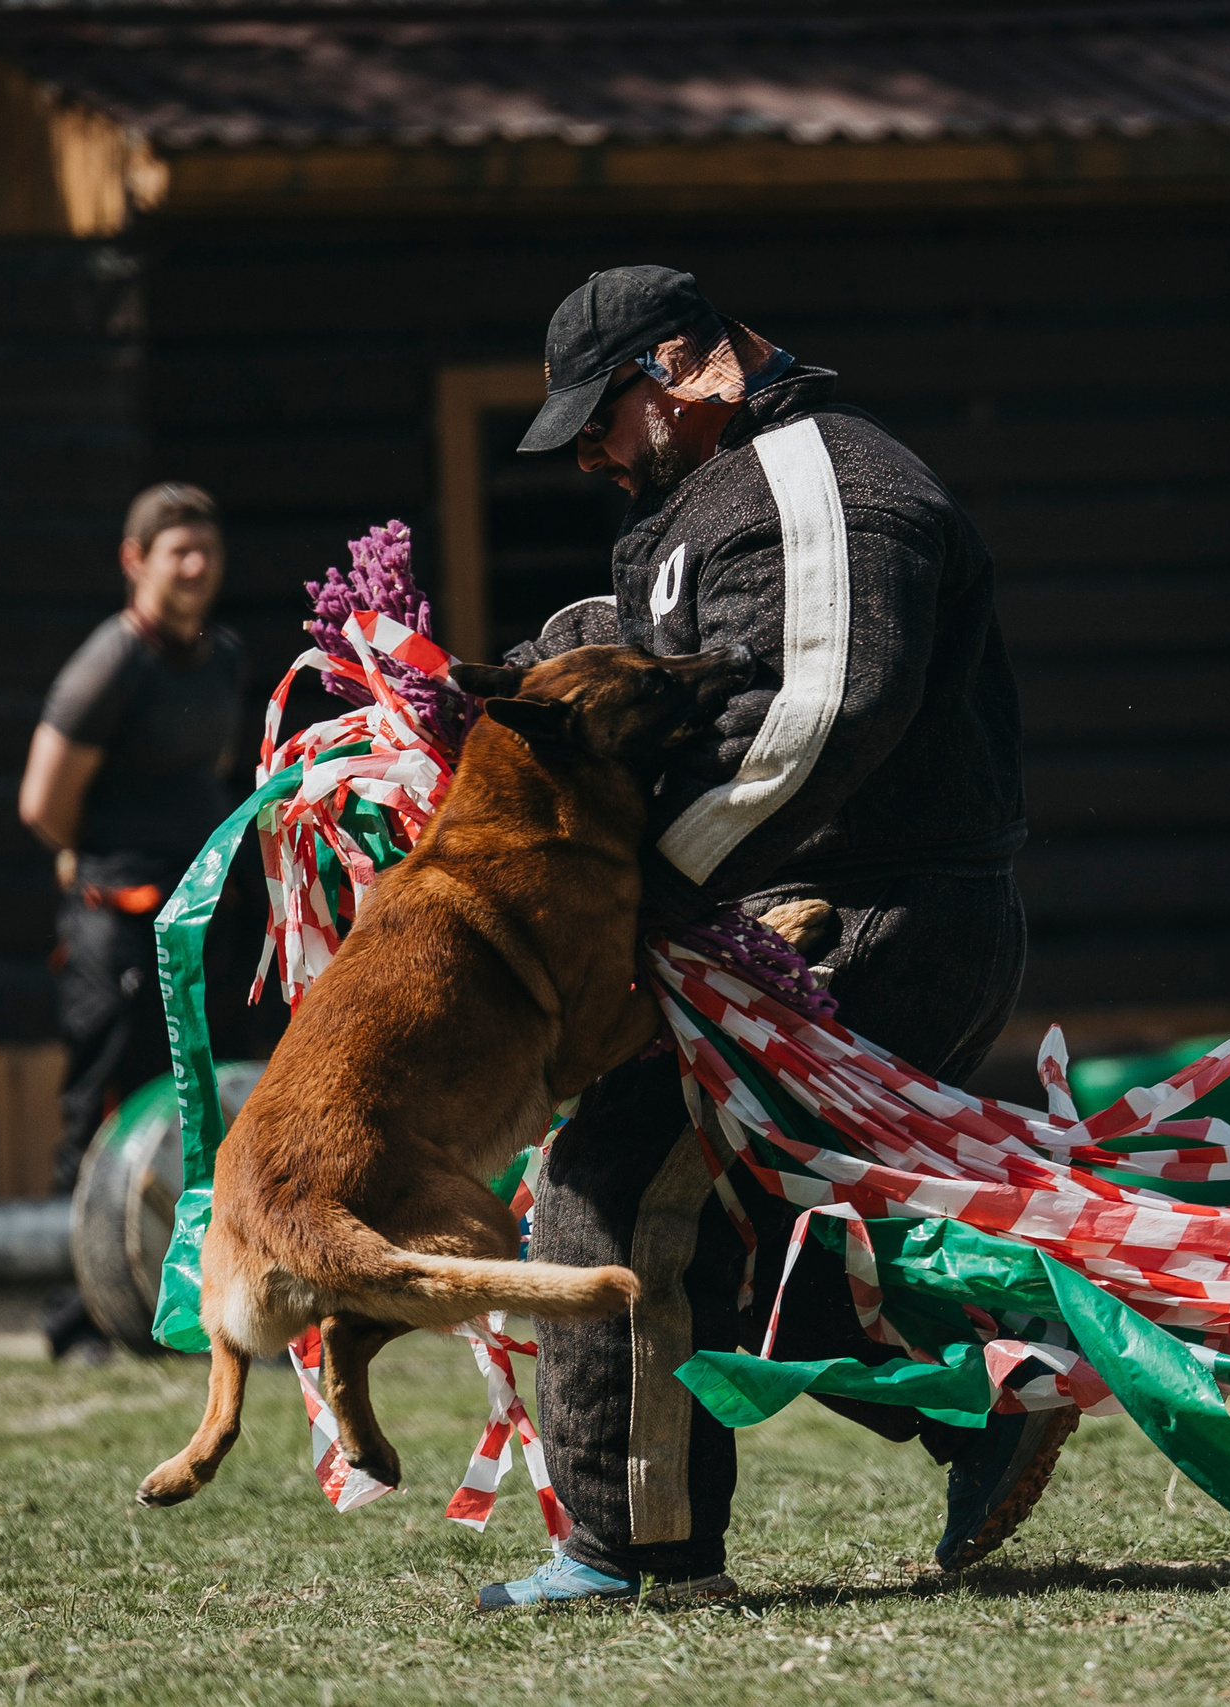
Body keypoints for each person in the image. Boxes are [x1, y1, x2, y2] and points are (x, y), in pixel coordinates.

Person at [477, 267, 1053, 1609]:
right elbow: (680, 662)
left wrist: (633, 893)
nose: (588, 452)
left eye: (601, 417)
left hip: (866, 917)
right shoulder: (726, 499)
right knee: (758, 1224)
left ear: (680, 368)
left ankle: (636, 1553)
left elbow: (814, 720)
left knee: (620, 1182)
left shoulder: (823, 481)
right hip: (818, 911)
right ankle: (987, 1383)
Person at [18, 483, 249, 1358]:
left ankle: (183, 1303)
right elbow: (43, 802)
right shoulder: (108, 663)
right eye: (176, 551)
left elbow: (210, 768)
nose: (195, 566)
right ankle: (76, 1318)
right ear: (135, 561)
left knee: (198, 1108)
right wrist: (110, 869)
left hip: (197, 926)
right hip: (117, 930)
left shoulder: (221, 656)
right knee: (102, 1115)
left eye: (206, 550)